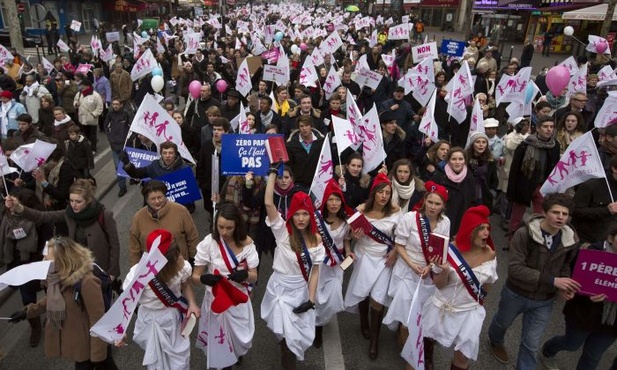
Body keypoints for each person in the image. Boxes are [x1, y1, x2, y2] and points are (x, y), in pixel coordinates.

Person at [488, 193, 581, 370]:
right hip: (516, 293)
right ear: (544, 212)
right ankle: (495, 341)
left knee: (531, 343)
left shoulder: (571, 240)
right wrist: (554, 281)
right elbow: (515, 269)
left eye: (565, 214)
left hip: (544, 300)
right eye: (556, 212)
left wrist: (565, 285)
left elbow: (565, 266)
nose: (560, 217)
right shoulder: (524, 234)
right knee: (502, 323)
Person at [8, 236, 118, 369]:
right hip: (79, 345)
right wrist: (27, 312)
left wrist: (98, 356)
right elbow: (52, 300)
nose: (43, 261)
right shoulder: (58, 278)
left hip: (90, 347)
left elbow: (97, 319)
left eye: (47, 259)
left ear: (62, 260)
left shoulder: (87, 282)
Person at [261, 163, 324, 370]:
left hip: (300, 291)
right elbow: (269, 204)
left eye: (305, 214)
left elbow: (315, 271)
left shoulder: (317, 240)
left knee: (292, 336)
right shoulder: (282, 232)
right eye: (297, 214)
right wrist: (272, 174)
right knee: (286, 338)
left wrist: (311, 300)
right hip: (279, 289)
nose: (301, 218)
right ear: (291, 215)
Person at [383, 181, 451, 369]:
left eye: (437, 204)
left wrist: (430, 266)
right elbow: (400, 244)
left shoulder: (445, 223)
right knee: (407, 320)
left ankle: (413, 349)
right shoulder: (410, 218)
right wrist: (413, 265)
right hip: (407, 271)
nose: (432, 207)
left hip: (428, 274)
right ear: (424, 201)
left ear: (443, 206)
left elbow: (440, 250)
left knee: (422, 316)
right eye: (430, 202)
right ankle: (412, 358)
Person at [422, 205, 497, 370]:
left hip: (469, 311)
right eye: (481, 228)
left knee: (463, 358)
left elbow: (488, 284)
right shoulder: (448, 251)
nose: (486, 233)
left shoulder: (490, 254)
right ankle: (427, 359)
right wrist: (445, 271)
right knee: (429, 338)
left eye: (487, 228)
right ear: (469, 230)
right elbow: (439, 285)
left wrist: (476, 300)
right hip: (442, 306)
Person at [116, 229, 200, 370]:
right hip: (150, 319)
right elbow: (126, 304)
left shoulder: (182, 267)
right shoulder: (137, 274)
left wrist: (192, 303)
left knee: (179, 360)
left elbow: (185, 285)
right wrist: (120, 331)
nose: (181, 257)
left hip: (173, 318)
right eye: (177, 256)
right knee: (156, 362)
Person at [5, 178, 121, 279]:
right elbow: (42, 216)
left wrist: (112, 273)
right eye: (71, 200)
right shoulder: (69, 213)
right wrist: (19, 208)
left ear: (88, 200)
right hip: (79, 272)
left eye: (78, 201)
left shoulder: (105, 215)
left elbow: (114, 245)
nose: (73, 205)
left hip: (101, 271)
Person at [539, 223, 617, 370]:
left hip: (612, 322)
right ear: (611, 238)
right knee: (571, 344)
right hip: (585, 313)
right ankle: (548, 350)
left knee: (593, 356)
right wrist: (588, 294)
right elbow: (573, 280)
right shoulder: (591, 253)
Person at [192, 203, 259, 370]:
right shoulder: (209, 243)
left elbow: (254, 277)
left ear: (237, 225)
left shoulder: (247, 244)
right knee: (220, 343)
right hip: (216, 302)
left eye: (229, 228)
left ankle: (236, 354)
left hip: (237, 300)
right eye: (220, 227)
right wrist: (204, 279)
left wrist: (244, 275)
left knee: (239, 340)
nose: (224, 232)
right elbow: (195, 277)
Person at [344, 173, 402, 360]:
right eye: (380, 192)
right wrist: (355, 235)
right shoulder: (361, 210)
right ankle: (363, 321)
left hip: (385, 259)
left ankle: (374, 341)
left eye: (387, 192)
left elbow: (401, 236)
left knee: (378, 298)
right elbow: (350, 235)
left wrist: (395, 252)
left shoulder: (395, 211)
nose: (384, 196)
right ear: (373, 193)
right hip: (364, 255)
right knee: (363, 292)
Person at [0, 188, 53, 347]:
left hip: (39, 263)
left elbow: (49, 242)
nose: (13, 207)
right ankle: (35, 327)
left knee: (49, 291)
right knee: (27, 298)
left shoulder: (40, 219)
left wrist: (43, 260)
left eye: (17, 204)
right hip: (19, 265)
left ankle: (52, 317)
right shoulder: (7, 217)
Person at [507, 117, 560, 240]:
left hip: (542, 186)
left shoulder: (554, 145)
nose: (549, 129)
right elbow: (515, 170)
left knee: (540, 216)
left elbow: (555, 167)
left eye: (551, 127)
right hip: (524, 184)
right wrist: (512, 191)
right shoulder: (525, 145)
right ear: (538, 128)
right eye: (546, 126)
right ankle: (513, 240)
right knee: (517, 216)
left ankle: (536, 240)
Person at [313, 179, 352, 348]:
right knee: (315, 296)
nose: (334, 203)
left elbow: (346, 240)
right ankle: (315, 327)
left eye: (337, 199)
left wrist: (349, 251)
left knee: (333, 296)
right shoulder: (316, 219)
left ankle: (320, 323)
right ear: (325, 201)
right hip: (320, 264)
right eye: (330, 199)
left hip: (337, 265)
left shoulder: (346, 221)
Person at [128, 180, 199, 265]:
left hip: (180, 265)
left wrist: (193, 259)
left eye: (160, 197)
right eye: (153, 199)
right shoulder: (138, 217)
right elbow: (134, 247)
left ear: (165, 196)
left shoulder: (180, 211)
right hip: (152, 270)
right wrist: (135, 268)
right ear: (146, 200)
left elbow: (192, 236)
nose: (157, 201)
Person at [243, 166, 298, 266]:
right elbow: (250, 203)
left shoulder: (297, 194)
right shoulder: (268, 192)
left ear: (292, 179)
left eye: (286, 177)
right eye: (280, 178)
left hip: (290, 236)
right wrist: (248, 185)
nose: (283, 181)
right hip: (270, 235)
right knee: (266, 263)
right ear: (275, 180)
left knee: (288, 264)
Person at [571, 156, 617, 243]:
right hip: (588, 241)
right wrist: (606, 210)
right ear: (614, 168)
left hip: (612, 243)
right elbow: (575, 210)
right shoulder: (591, 186)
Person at [432, 147, 477, 236]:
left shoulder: (470, 178)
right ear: (448, 161)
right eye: (454, 159)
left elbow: (472, 201)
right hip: (441, 222)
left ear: (465, 161)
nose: (457, 162)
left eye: (460, 159)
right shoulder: (439, 177)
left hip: (460, 222)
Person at [286, 115, 326, 192]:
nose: (304, 128)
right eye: (301, 126)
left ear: (311, 126)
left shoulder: (322, 142)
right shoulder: (291, 145)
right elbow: (289, 165)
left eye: (307, 125)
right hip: (299, 184)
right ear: (298, 128)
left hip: (318, 183)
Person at [104, 98, 131, 197]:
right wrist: (110, 137)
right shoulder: (110, 114)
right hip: (114, 145)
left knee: (129, 164)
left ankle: (133, 177)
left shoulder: (126, 114)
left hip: (125, 145)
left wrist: (128, 139)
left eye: (117, 104)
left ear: (121, 105)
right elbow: (105, 126)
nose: (115, 106)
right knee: (118, 167)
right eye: (113, 104)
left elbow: (131, 127)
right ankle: (122, 186)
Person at [466, 131, 498, 211]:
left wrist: (492, 192)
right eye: (478, 142)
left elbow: (494, 179)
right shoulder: (466, 159)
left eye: (484, 142)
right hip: (469, 195)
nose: (481, 144)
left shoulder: (490, 160)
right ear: (473, 144)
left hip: (485, 196)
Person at [74, 79, 104, 154]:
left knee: (92, 135)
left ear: (88, 86)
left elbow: (100, 107)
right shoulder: (79, 94)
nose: (82, 87)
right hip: (82, 118)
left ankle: (93, 148)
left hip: (91, 119)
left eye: (83, 85)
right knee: (84, 134)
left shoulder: (95, 95)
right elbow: (75, 101)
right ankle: (86, 148)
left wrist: (93, 114)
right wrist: (75, 104)